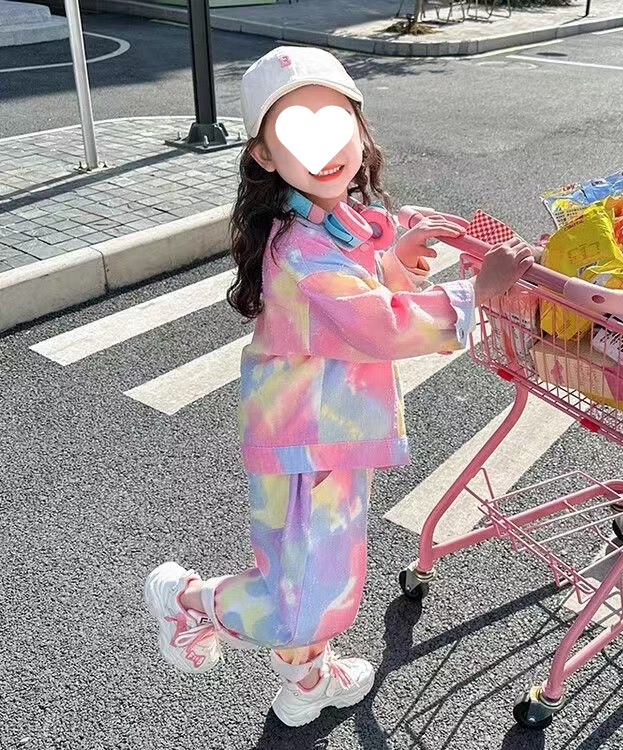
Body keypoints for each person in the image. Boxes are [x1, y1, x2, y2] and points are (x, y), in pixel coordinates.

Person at [143, 45, 534, 728]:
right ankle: (192, 602)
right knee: (306, 593)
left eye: (335, 124)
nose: (324, 148)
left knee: (314, 574)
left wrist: (396, 257)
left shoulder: (325, 216)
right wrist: (476, 293)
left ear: (359, 127)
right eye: (299, 132)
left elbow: (358, 285)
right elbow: (375, 324)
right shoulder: (302, 245)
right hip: (310, 441)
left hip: (322, 432)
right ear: (265, 155)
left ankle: (307, 681)